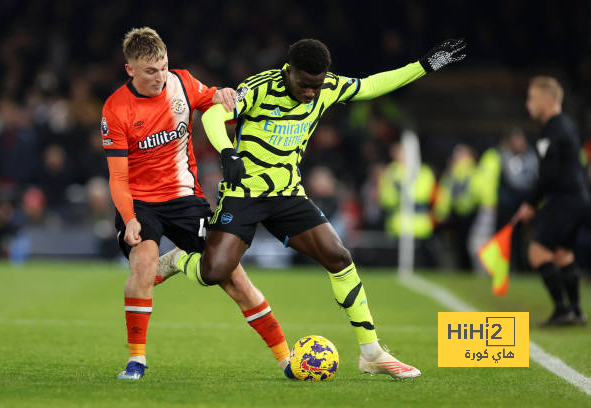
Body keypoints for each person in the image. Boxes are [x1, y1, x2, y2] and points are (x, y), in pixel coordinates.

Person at [170, 37, 467, 379]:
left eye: (317, 84)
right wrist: (226, 151)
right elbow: (213, 114)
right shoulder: (259, 88)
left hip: (287, 195)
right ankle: (179, 259)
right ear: (289, 71)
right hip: (244, 194)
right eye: (305, 84)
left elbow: (372, 85)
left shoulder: (328, 87)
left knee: (338, 256)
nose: (312, 92)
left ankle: (371, 352)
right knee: (214, 272)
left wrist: (423, 66)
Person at [101, 27, 291, 380]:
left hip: (186, 199)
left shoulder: (183, 83)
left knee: (230, 274)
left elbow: (215, 101)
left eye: (163, 67)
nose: (160, 78)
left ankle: (286, 359)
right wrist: (129, 219)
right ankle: (137, 361)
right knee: (143, 264)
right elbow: (118, 178)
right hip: (141, 202)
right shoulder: (115, 109)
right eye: (150, 71)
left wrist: (226, 94)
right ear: (130, 69)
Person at [514, 76, 590, 326]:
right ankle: (576, 311)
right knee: (563, 254)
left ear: (547, 100)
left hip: (565, 199)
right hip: (579, 198)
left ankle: (561, 310)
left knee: (536, 253)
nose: (528, 104)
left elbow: (549, 174)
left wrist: (531, 203)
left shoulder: (552, 129)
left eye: (532, 98)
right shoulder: (567, 125)